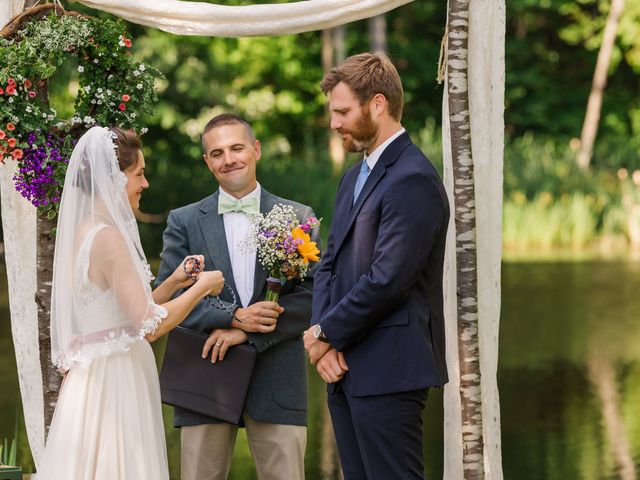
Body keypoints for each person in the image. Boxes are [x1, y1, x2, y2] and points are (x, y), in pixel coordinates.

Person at [35, 126, 224, 480]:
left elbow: (121, 314)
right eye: (139, 174)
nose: (145, 183)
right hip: (115, 381)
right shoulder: (109, 239)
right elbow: (148, 326)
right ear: (114, 178)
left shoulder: (86, 229)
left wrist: (173, 282)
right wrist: (202, 288)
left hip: (95, 373)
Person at [303, 52, 450, 479]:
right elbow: (329, 263)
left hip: (390, 369)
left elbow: (388, 280)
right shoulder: (354, 176)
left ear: (379, 104)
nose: (335, 123)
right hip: (344, 368)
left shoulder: (413, 178)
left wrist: (325, 334)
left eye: (343, 112)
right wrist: (322, 339)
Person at [156, 113, 317, 480]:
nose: (229, 159)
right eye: (217, 152)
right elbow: (167, 302)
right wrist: (231, 317)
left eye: (237, 148)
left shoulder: (297, 216)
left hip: (277, 382)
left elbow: (312, 296)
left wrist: (247, 332)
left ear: (256, 149)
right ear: (207, 162)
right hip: (204, 377)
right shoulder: (183, 221)